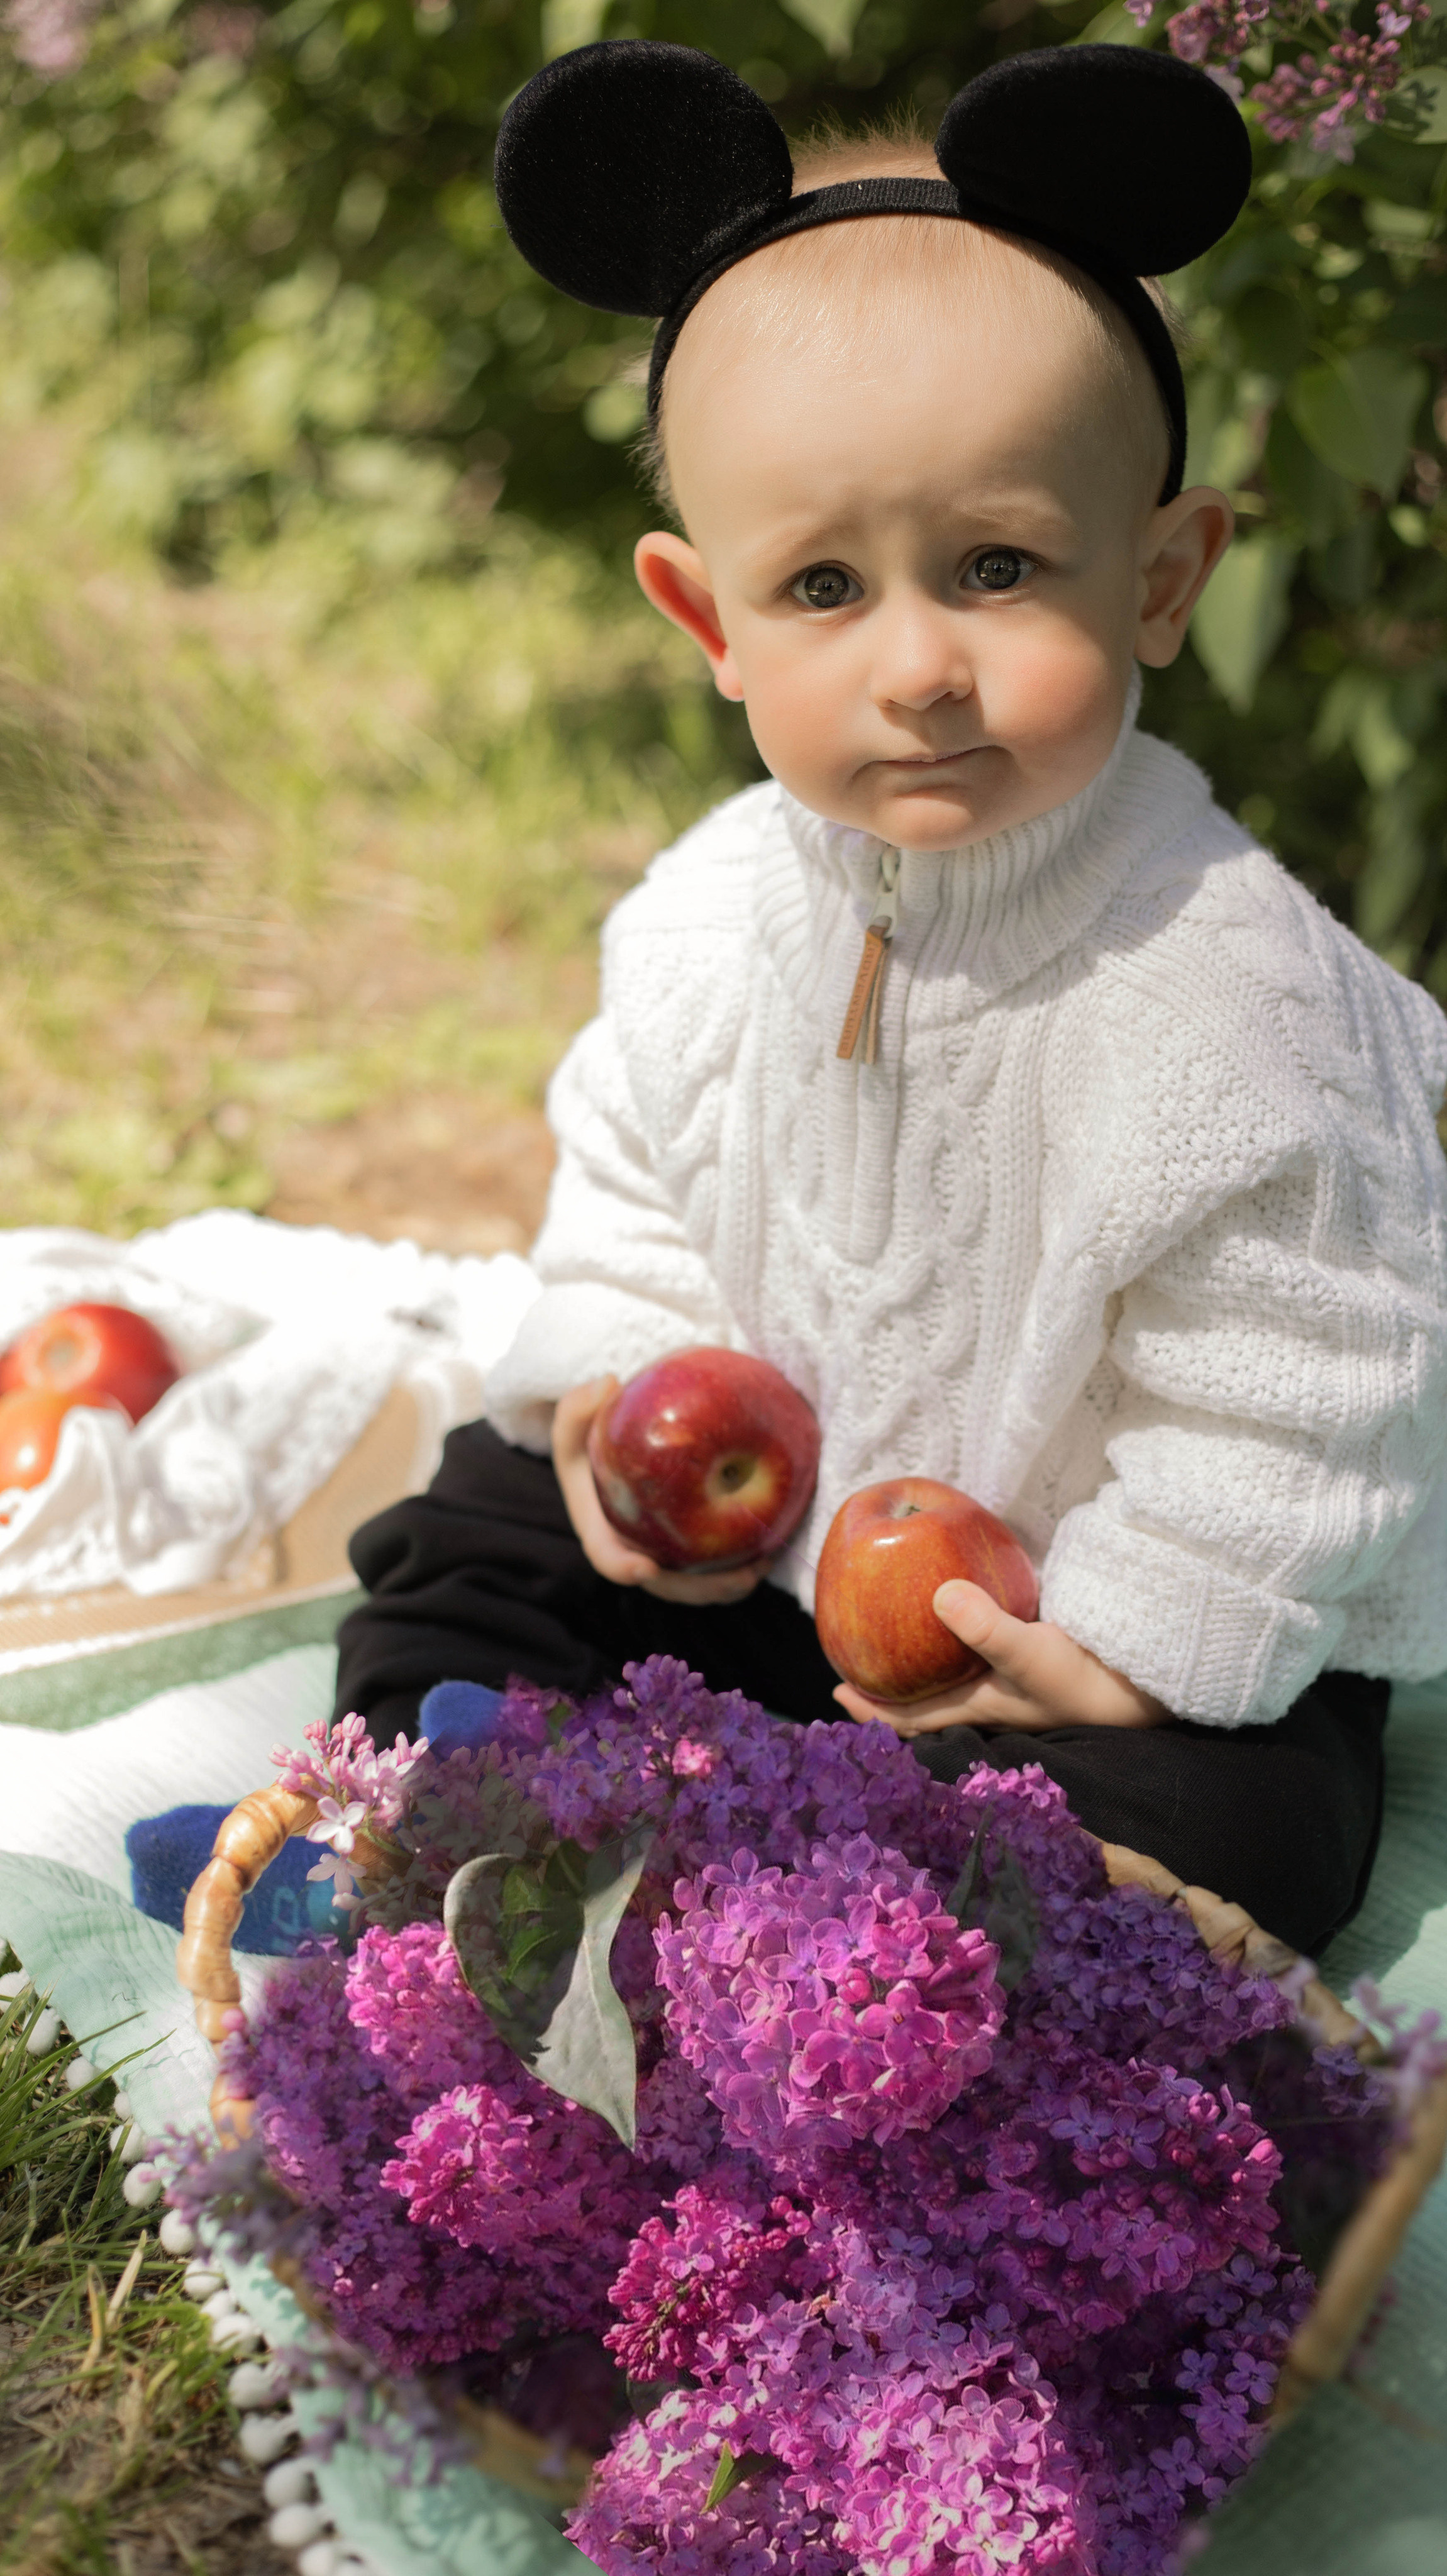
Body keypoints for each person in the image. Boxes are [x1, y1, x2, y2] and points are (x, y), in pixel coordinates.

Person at [333, 40, 1447, 1957]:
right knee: (477, 1524)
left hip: (1089, 1624)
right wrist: (616, 1393)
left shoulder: (1235, 1004)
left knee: (1245, 1807)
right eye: (827, 588)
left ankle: (887, 1972)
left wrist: (1126, 1634)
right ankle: (436, 1825)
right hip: (776, 1560)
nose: (922, 665)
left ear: (1165, 577)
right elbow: (635, 1197)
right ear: (709, 623)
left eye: (1000, 566)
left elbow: (1323, 1388)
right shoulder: (701, 923)